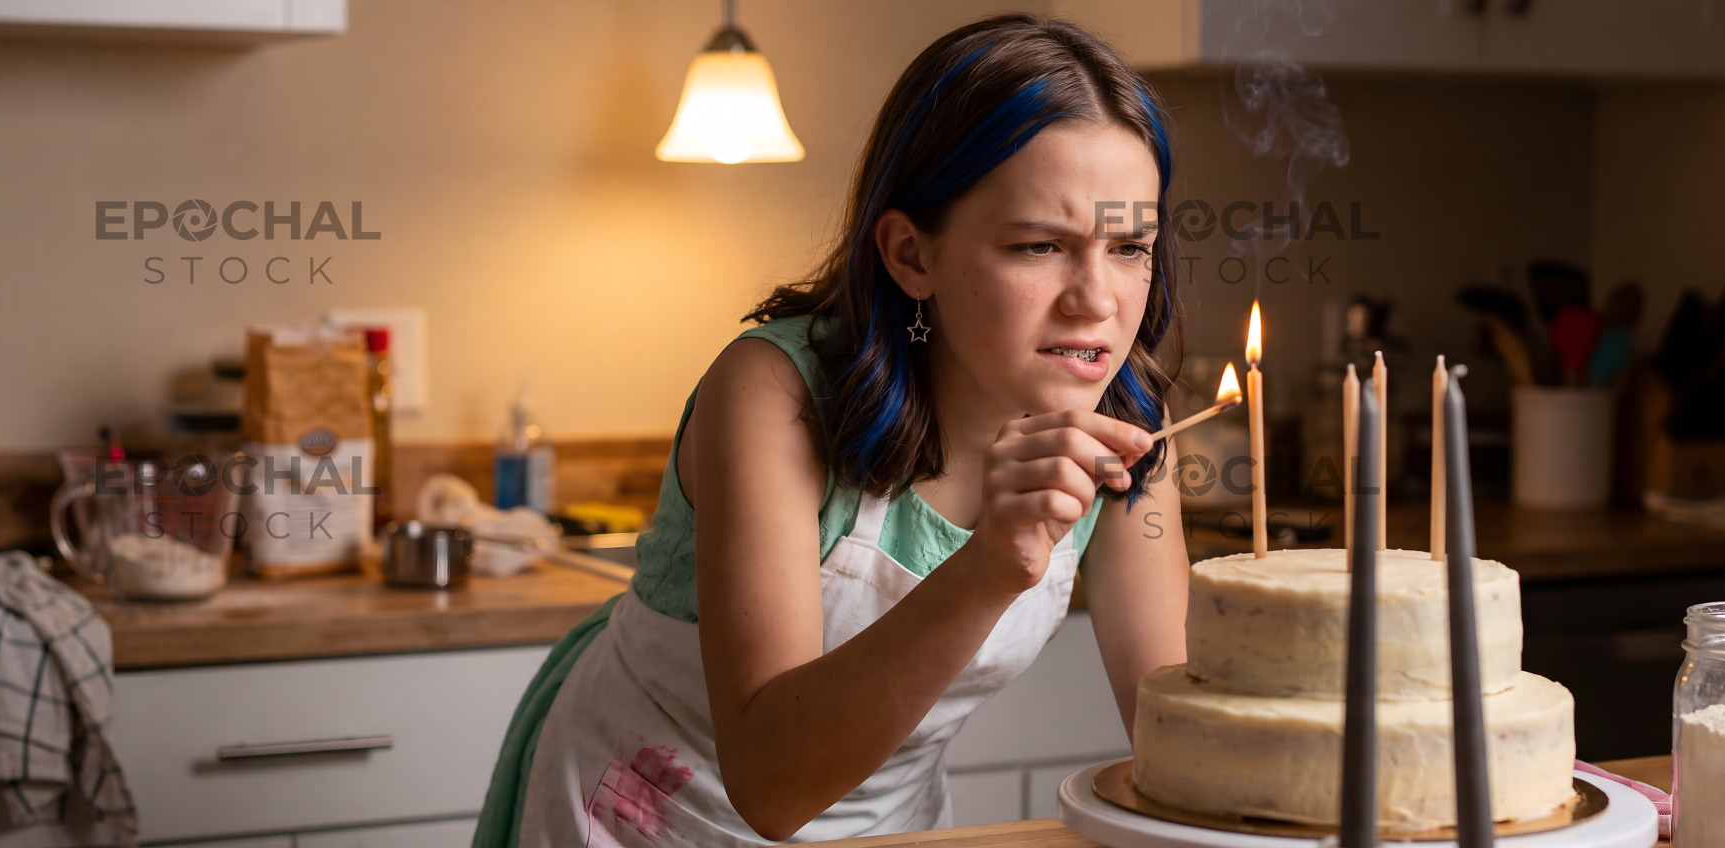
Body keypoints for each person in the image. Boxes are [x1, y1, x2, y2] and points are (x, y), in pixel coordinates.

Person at [476, 12, 1190, 847]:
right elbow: (772, 787)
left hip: (888, 828)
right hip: (645, 816)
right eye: (1038, 246)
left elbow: (1173, 732)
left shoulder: (1129, 426)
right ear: (909, 255)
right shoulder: (771, 394)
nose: (1097, 300)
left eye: (1130, 246)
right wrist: (991, 564)